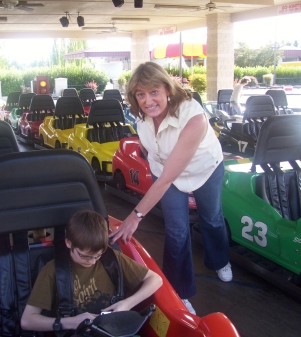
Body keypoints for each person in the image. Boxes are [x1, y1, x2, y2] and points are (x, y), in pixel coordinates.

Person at [109, 62, 232, 315]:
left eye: (153, 92)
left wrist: (135, 216)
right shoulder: (141, 116)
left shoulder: (193, 117)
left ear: (167, 89)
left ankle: (219, 260)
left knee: (211, 218)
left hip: (205, 169)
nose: (147, 100)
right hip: (166, 172)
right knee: (177, 231)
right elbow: (148, 150)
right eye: (140, 94)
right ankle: (180, 291)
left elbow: (165, 179)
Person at [21, 210, 162, 333]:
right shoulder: (51, 272)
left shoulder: (112, 259)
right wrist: (71, 322)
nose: (93, 261)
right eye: (85, 256)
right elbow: (27, 321)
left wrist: (127, 304)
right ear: (69, 243)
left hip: (112, 329)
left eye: (98, 255)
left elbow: (156, 279)